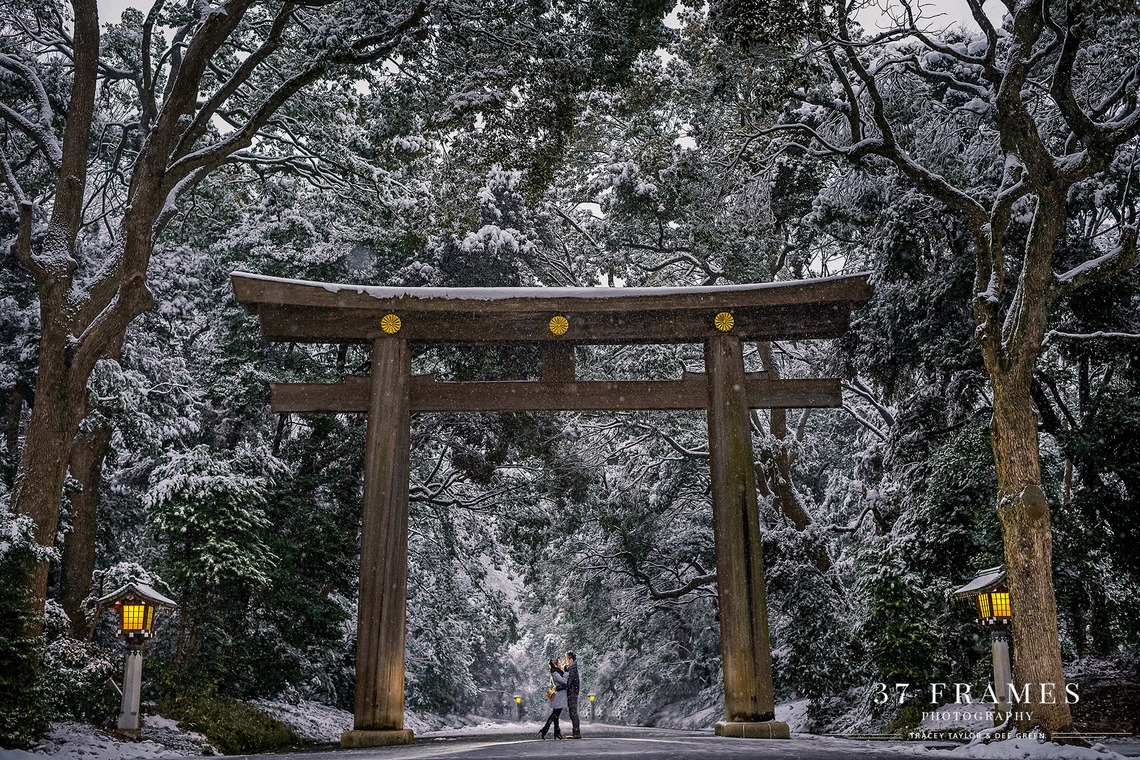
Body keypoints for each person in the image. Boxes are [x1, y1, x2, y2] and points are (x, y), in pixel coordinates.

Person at [539, 658, 567, 740]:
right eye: (559, 662)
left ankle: (556, 731)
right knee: (555, 715)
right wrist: (566, 675)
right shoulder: (555, 673)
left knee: (556, 715)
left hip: (560, 696)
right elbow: (564, 681)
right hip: (559, 697)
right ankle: (545, 730)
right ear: (555, 664)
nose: (561, 663)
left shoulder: (558, 672)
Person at [564, 651, 581, 739]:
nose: (566, 660)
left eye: (567, 658)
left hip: (572, 693)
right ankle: (576, 732)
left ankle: (576, 733)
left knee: (573, 713)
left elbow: (569, 682)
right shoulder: (572, 668)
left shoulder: (572, 669)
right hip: (573, 693)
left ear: (570, 659)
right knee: (573, 713)